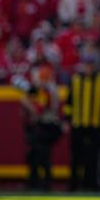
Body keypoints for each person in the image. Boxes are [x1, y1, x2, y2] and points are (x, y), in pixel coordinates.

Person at [21, 62, 63, 191]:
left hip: (46, 125)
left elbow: (42, 108)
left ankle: (44, 183)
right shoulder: (40, 88)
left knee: (43, 155)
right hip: (40, 125)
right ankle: (36, 182)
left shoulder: (49, 90)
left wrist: (29, 104)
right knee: (35, 155)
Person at [66, 57, 100, 191]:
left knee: (93, 156)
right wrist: (67, 119)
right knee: (76, 156)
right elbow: (69, 101)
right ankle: (73, 184)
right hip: (78, 123)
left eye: (91, 65)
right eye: (87, 65)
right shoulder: (76, 79)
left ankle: (91, 184)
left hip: (95, 123)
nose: (88, 68)